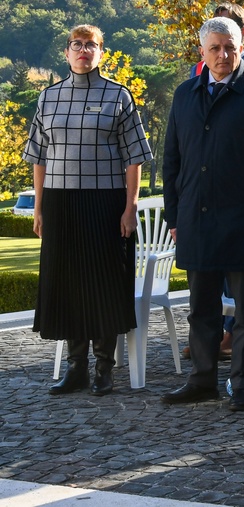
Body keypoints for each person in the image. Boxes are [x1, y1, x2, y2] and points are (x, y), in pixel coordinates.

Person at [161, 17, 244, 412]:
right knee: (201, 309)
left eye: (230, 47)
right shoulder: (185, 95)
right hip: (196, 220)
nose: (223, 54)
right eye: (215, 47)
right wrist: (174, 217)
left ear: (241, 48)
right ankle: (202, 381)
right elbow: (172, 162)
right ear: (201, 51)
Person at [22, 24, 153, 396]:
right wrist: (39, 207)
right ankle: (75, 368)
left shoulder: (118, 96)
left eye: (90, 45)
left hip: (106, 201)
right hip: (61, 202)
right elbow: (39, 158)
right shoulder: (48, 97)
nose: (83, 51)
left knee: (105, 282)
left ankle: (104, 369)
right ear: (66, 52)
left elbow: (135, 159)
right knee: (67, 284)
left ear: (101, 53)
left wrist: (130, 208)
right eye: (76, 45)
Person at [189, 2, 244, 84]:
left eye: (227, 24)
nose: (219, 28)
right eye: (216, 23)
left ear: (243, 31)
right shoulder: (198, 69)